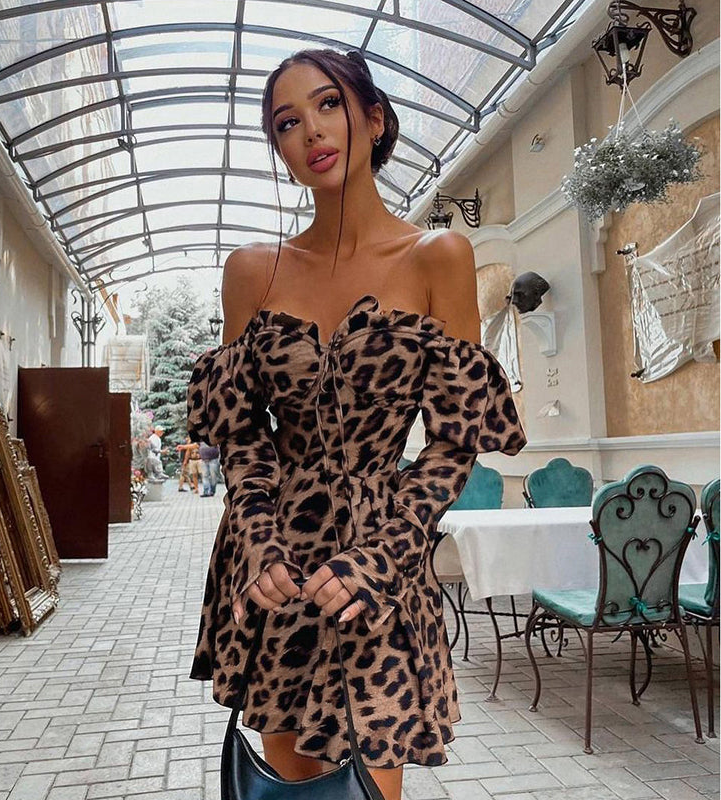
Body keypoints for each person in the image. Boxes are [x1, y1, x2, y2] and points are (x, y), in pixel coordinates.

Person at [185, 48, 527, 800]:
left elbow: (454, 439)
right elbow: (239, 433)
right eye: (286, 122)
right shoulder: (252, 270)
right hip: (275, 562)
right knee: (287, 786)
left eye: (328, 104)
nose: (310, 130)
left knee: (370, 788)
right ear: (279, 150)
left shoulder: (438, 256)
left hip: (381, 559)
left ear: (374, 119)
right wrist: (258, 540)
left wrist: (384, 557)